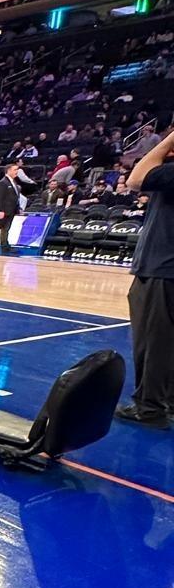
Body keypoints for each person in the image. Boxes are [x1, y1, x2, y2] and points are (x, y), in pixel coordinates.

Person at [116, 128, 174, 428]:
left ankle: (149, 407)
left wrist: (168, 140)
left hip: (162, 269)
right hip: (163, 267)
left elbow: (136, 177)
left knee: (154, 342)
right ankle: (167, 401)